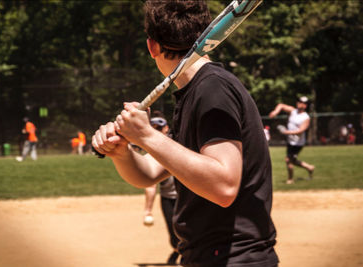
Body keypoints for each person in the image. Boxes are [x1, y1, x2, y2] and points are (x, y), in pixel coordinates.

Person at [92, 1, 278, 266]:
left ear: (152, 46)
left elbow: (224, 186)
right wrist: (122, 152)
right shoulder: (196, 91)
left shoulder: (213, 89)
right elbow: (149, 174)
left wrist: (146, 136)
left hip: (233, 258)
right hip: (207, 256)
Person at [142, 111, 180, 264]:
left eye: (159, 128)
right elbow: (150, 185)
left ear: (166, 129)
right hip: (167, 198)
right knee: (173, 236)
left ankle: (185, 255)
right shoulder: (153, 152)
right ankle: (177, 250)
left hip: (186, 197)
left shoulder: (179, 143)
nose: (157, 132)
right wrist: (148, 210)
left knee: (188, 232)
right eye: (154, 129)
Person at [269, 96, 315, 184]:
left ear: (305, 106)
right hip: (290, 141)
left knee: (288, 160)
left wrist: (286, 132)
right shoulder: (293, 111)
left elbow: (300, 131)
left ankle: (290, 179)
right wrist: (275, 112)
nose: (299, 103)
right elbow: (281, 105)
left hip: (298, 143)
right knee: (292, 160)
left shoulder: (306, 117)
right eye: (298, 101)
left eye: (302, 102)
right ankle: (309, 167)